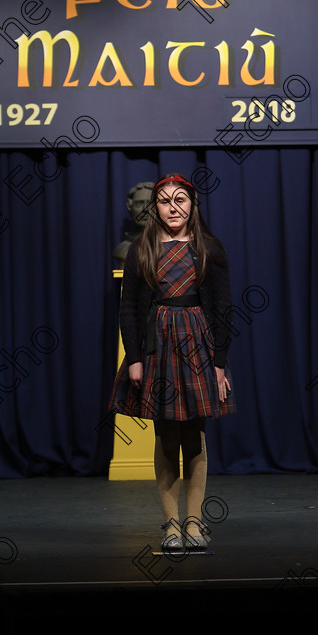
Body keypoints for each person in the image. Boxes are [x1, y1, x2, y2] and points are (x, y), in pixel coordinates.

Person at [109, 172, 235, 550]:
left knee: (194, 436)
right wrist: (134, 358)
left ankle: (195, 523)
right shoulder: (141, 250)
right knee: (165, 435)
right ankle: (171, 525)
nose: (173, 207)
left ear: (193, 205)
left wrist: (218, 362)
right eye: (165, 200)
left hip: (197, 344)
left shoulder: (208, 248)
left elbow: (222, 309)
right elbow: (129, 308)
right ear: (155, 208)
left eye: (181, 199)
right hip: (157, 347)